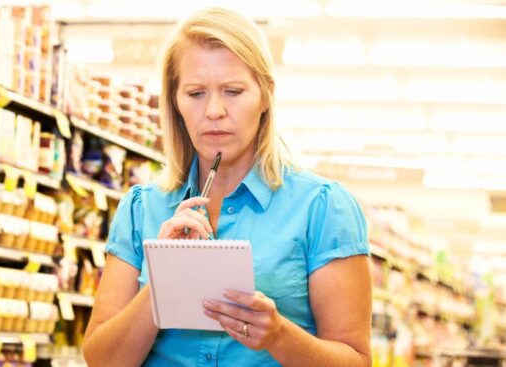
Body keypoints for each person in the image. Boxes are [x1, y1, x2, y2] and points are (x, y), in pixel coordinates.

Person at [82, 7, 372, 367]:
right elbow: (101, 360)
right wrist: (163, 278)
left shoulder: (323, 207)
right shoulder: (142, 208)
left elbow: (356, 360)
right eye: (196, 93)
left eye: (233, 91)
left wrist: (279, 335)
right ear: (175, 100)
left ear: (266, 94)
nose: (215, 110)